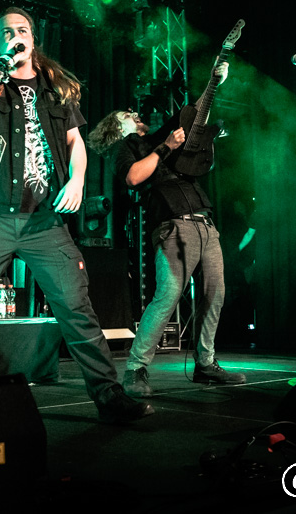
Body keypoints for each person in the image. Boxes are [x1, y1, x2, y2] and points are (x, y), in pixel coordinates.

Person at [0, 6, 153, 424]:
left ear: (34, 38)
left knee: (77, 308)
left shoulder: (55, 90)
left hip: (44, 221)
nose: (15, 36)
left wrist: (77, 180)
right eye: (7, 32)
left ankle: (109, 396)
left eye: (22, 30)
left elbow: (76, 142)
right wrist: (1, 66)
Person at [87, 63, 246, 399]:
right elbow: (133, 177)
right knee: (168, 296)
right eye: (126, 114)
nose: (133, 113)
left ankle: (206, 363)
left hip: (205, 223)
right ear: (116, 127)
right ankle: (135, 369)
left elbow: (195, 115)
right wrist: (166, 149)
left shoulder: (158, 137)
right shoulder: (124, 147)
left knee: (215, 294)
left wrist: (213, 81)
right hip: (173, 226)